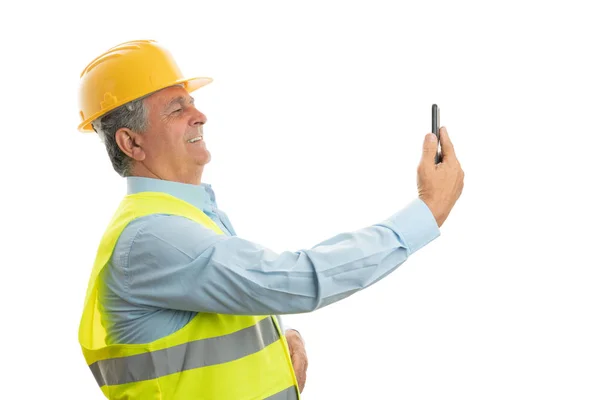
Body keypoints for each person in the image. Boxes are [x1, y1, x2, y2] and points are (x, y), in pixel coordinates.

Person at [77, 39, 464, 400]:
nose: (200, 115)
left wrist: (280, 339)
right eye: (177, 109)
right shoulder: (155, 236)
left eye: (191, 103)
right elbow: (293, 280)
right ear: (132, 142)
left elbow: (233, 310)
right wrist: (427, 211)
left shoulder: (184, 219)